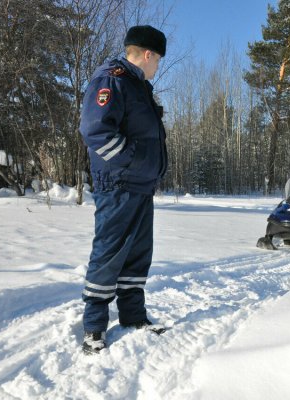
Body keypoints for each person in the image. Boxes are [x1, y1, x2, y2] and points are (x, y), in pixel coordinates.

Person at [79, 25, 168, 354]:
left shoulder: (138, 86)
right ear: (148, 54)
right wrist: (130, 161)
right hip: (118, 185)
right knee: (108, 255)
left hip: (141, 186)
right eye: (157, 59)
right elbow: (94, 129)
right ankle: (93, 327)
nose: (157, 65)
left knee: (137, 256)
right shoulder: (113, 79)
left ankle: (133, 315)